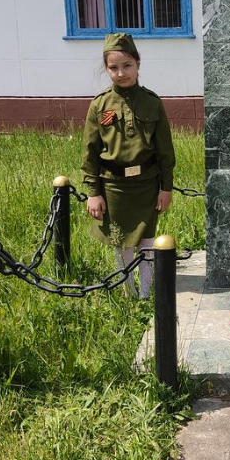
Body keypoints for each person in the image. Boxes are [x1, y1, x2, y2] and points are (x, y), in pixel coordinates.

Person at [82, 32, 176, 298]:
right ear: (107, 69)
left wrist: (165, 187)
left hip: (146, 184)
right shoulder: (99, 105)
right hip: (114, 186)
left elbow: (165, 150)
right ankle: (128, 293)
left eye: (127, 66)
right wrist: (93, 192)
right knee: (121, 241)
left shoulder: (152, 102)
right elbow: (90, 152)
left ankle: (146, 293)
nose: (121, 73)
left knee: (147, 241)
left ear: (138, 63)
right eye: (113, 67)